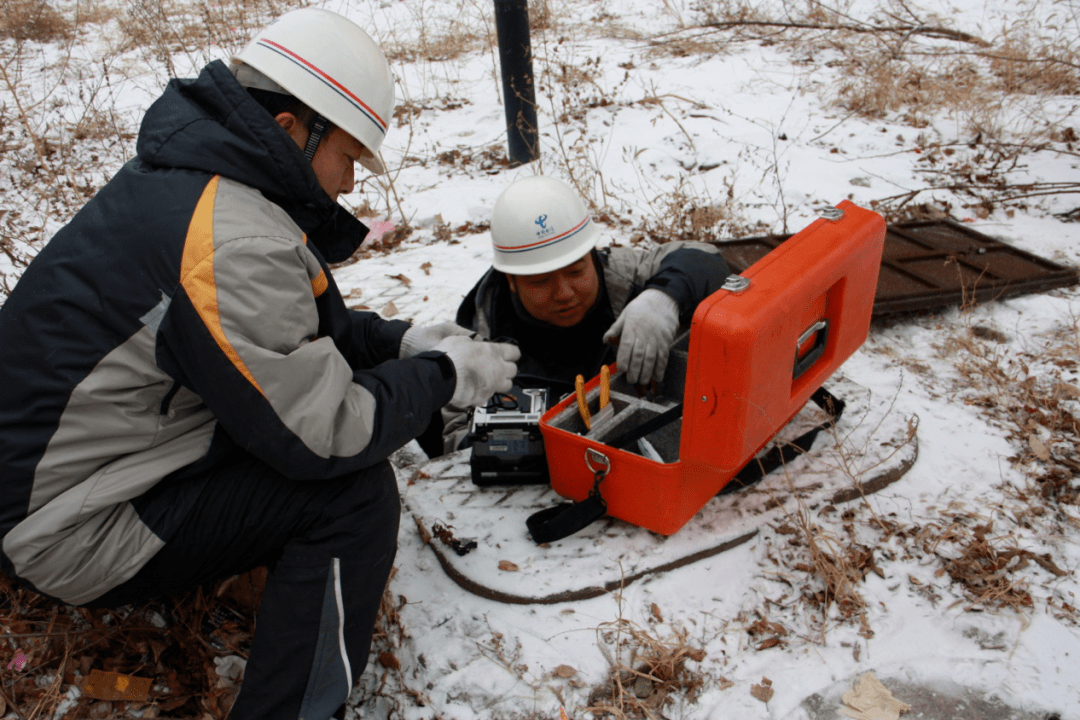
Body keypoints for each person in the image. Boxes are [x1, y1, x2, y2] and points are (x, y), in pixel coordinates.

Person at [0, 8, 517, 720]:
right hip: (63, 528)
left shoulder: (204, 188)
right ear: (289, 129)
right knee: (350, 495)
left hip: (49, 476)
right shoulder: (234, 242)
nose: (351, 184)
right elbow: (326, 431)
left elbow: (294, 333)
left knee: (302, 415)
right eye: (348, 156)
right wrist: (445, 379)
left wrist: (400, 345)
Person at [438, 174, 730, 454]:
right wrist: (518, 445)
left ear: (593, 254)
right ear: (510, 281)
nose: (564, 292)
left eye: (576, 271)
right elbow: (455, 437)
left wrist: (664, 297)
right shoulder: (477, 339)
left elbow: (706, 259)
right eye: (540, 281)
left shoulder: (624, 273)